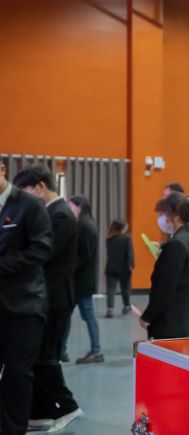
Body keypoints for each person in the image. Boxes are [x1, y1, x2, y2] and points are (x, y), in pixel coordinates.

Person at [12, 165, 82, 432]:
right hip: (45, 296)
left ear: (40, 186)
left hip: (56, 298)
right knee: (38, 356)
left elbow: (43, 252)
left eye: (25, 191)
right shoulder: (50, 213)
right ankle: (40, 413)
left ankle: (68, 407)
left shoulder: (60, 214)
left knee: (47, 357)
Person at [0, 162, 53, 435]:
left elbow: (42, 250)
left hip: (24, 306)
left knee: (17, 375)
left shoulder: (29, 205)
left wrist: (3, 264)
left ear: (2, 169)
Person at [140, 192, 189, 339]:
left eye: (163, 214)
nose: (161, 218)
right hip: (182, 319)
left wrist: (148, 316)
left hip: (171, 323)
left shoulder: (177, 244)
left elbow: (165, 287)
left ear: (176, 216)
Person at [67, 195, 103, 364]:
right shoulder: (83, 224)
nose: (69, 209)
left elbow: (85, 255)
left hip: (82, 281)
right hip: (78, 280)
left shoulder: (87, 226)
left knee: (88, 315)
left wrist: (68, 267)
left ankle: (97, 350)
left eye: (71, 206)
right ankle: (60, 349)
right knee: (66, 314)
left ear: (79, 207)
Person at [105, 219, 135, 318]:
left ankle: (110, 308)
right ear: (122, 228)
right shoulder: (127, 237)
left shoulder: (109, 238)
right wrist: (131, 265)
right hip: (124, 267)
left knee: (110, 289)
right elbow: (130, 253)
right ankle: (126, 306)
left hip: (111, 266)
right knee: (125, 288)